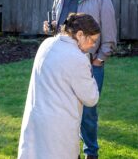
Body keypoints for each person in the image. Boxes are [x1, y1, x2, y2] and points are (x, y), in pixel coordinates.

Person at [43, 0, 117, 159]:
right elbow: (60, 29)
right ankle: (68, 150)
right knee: (63, 109)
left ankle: (91, 152)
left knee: (88, 113)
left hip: (89, 65)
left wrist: (98, 61)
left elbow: (109, 35)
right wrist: (51, 28)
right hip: (61, 65)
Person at [18, 13, 101, 159]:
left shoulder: (47, 43)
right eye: (93, 40)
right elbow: (91, 98)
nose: (94, 45)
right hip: (58, 130)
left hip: (36, 122)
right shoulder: (78, 58)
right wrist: (88, 63)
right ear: (80, 34)